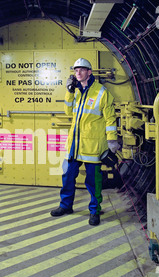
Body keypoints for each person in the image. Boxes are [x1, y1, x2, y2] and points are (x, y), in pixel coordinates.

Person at [50, 58, 119, 226]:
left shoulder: (102, 92)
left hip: (93, 147)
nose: (77, 73)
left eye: (81, 70)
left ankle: (94, 211)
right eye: (75, 70)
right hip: (74, 146)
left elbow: (110, 119)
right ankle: (65, 206)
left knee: (93, 182)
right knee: (67, 177)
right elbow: (68, 111)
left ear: (89, 72)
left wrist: (112, 141)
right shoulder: (75, 90)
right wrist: (69, 91)